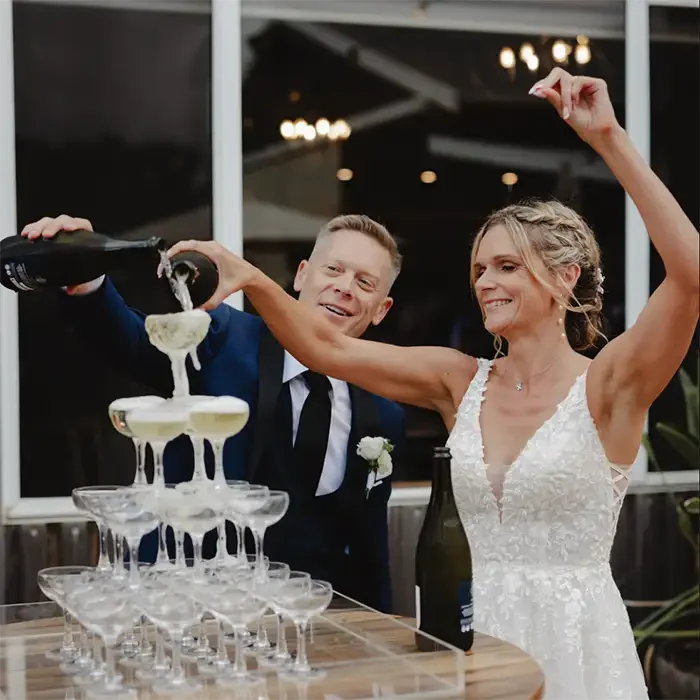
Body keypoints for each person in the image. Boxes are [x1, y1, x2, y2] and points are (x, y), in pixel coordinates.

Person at [163, 69, 699, 700]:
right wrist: (252, 278)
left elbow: (689, 277)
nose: (484, 282)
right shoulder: (458, 381)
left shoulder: (610, 386)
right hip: (464, 637)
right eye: (479, 268)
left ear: (563, 278)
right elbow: (327, 345)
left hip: (574, 641)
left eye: (506, 266)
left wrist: (609, 139)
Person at [21, 213, 406, 613]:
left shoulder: (383, 414)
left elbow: (369, 550)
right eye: (334, 270)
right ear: (302, 275)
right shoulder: (224, 337)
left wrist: (386, 636)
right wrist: (88, 281)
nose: (344, 288)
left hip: (300, 623)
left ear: (381, 309)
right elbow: (134, 344)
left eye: (364, 283)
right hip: (186, 605)